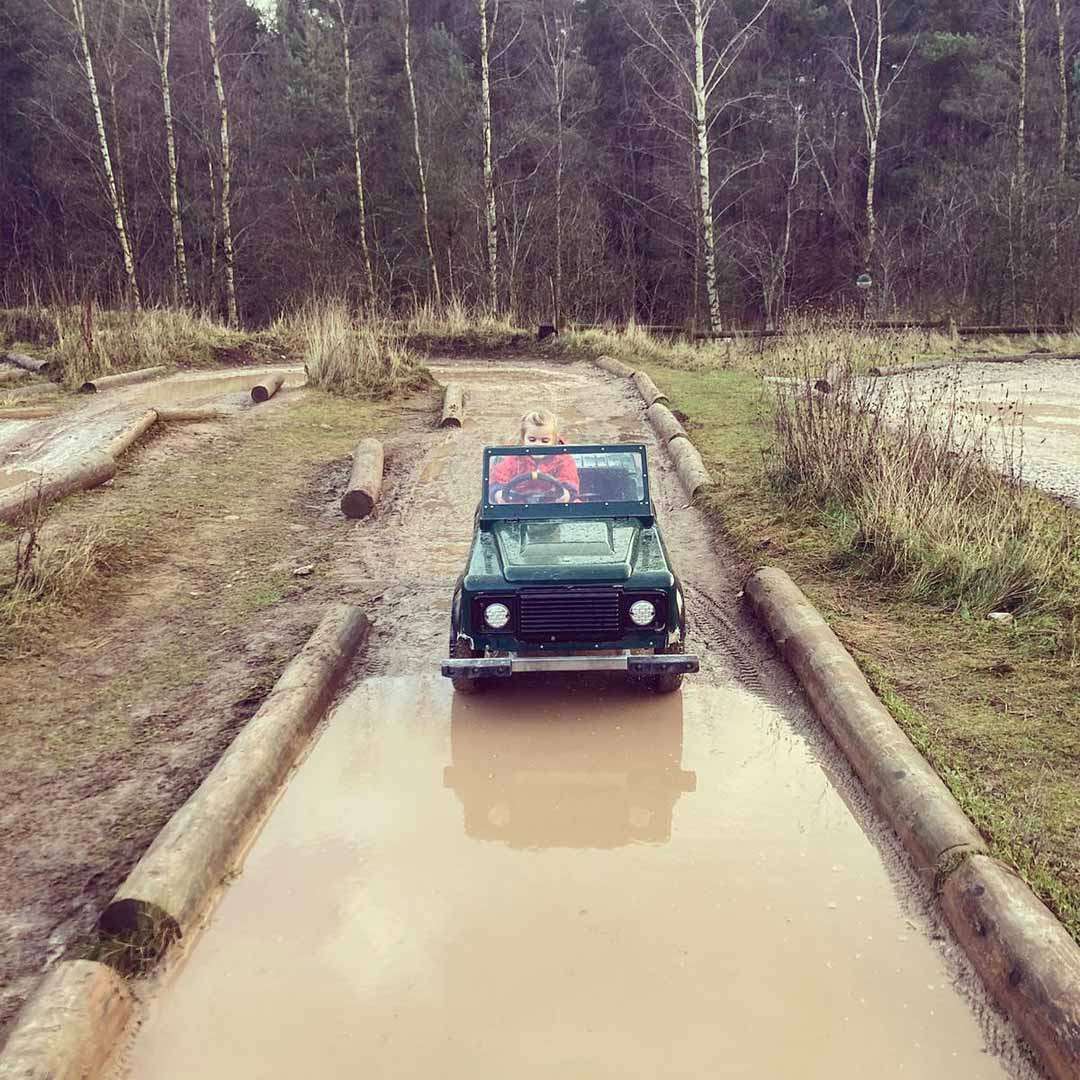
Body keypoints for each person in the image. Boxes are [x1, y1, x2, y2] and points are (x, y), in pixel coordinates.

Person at [489, 409, 580, 504]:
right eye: (532, 440)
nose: (538, 444)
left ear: (554, 441)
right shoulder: (514, 458)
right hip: (519, 506)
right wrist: (498, 493)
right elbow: (498, 478)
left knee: (578, 506)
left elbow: (569, 480)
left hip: (553, 505)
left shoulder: (563, 459)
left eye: (545, 441)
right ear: (523, 439)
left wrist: (567, 492)